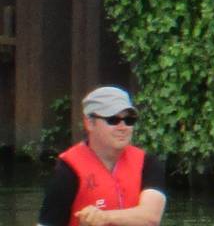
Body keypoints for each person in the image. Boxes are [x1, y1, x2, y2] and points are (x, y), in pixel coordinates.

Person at [41, 86, 165, 226]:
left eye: (129, 120)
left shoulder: (148, 163)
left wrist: (104, 217)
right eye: (113, 120)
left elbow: (151, 217)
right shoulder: (68, 171)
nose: (123, 127)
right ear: (90, 123)